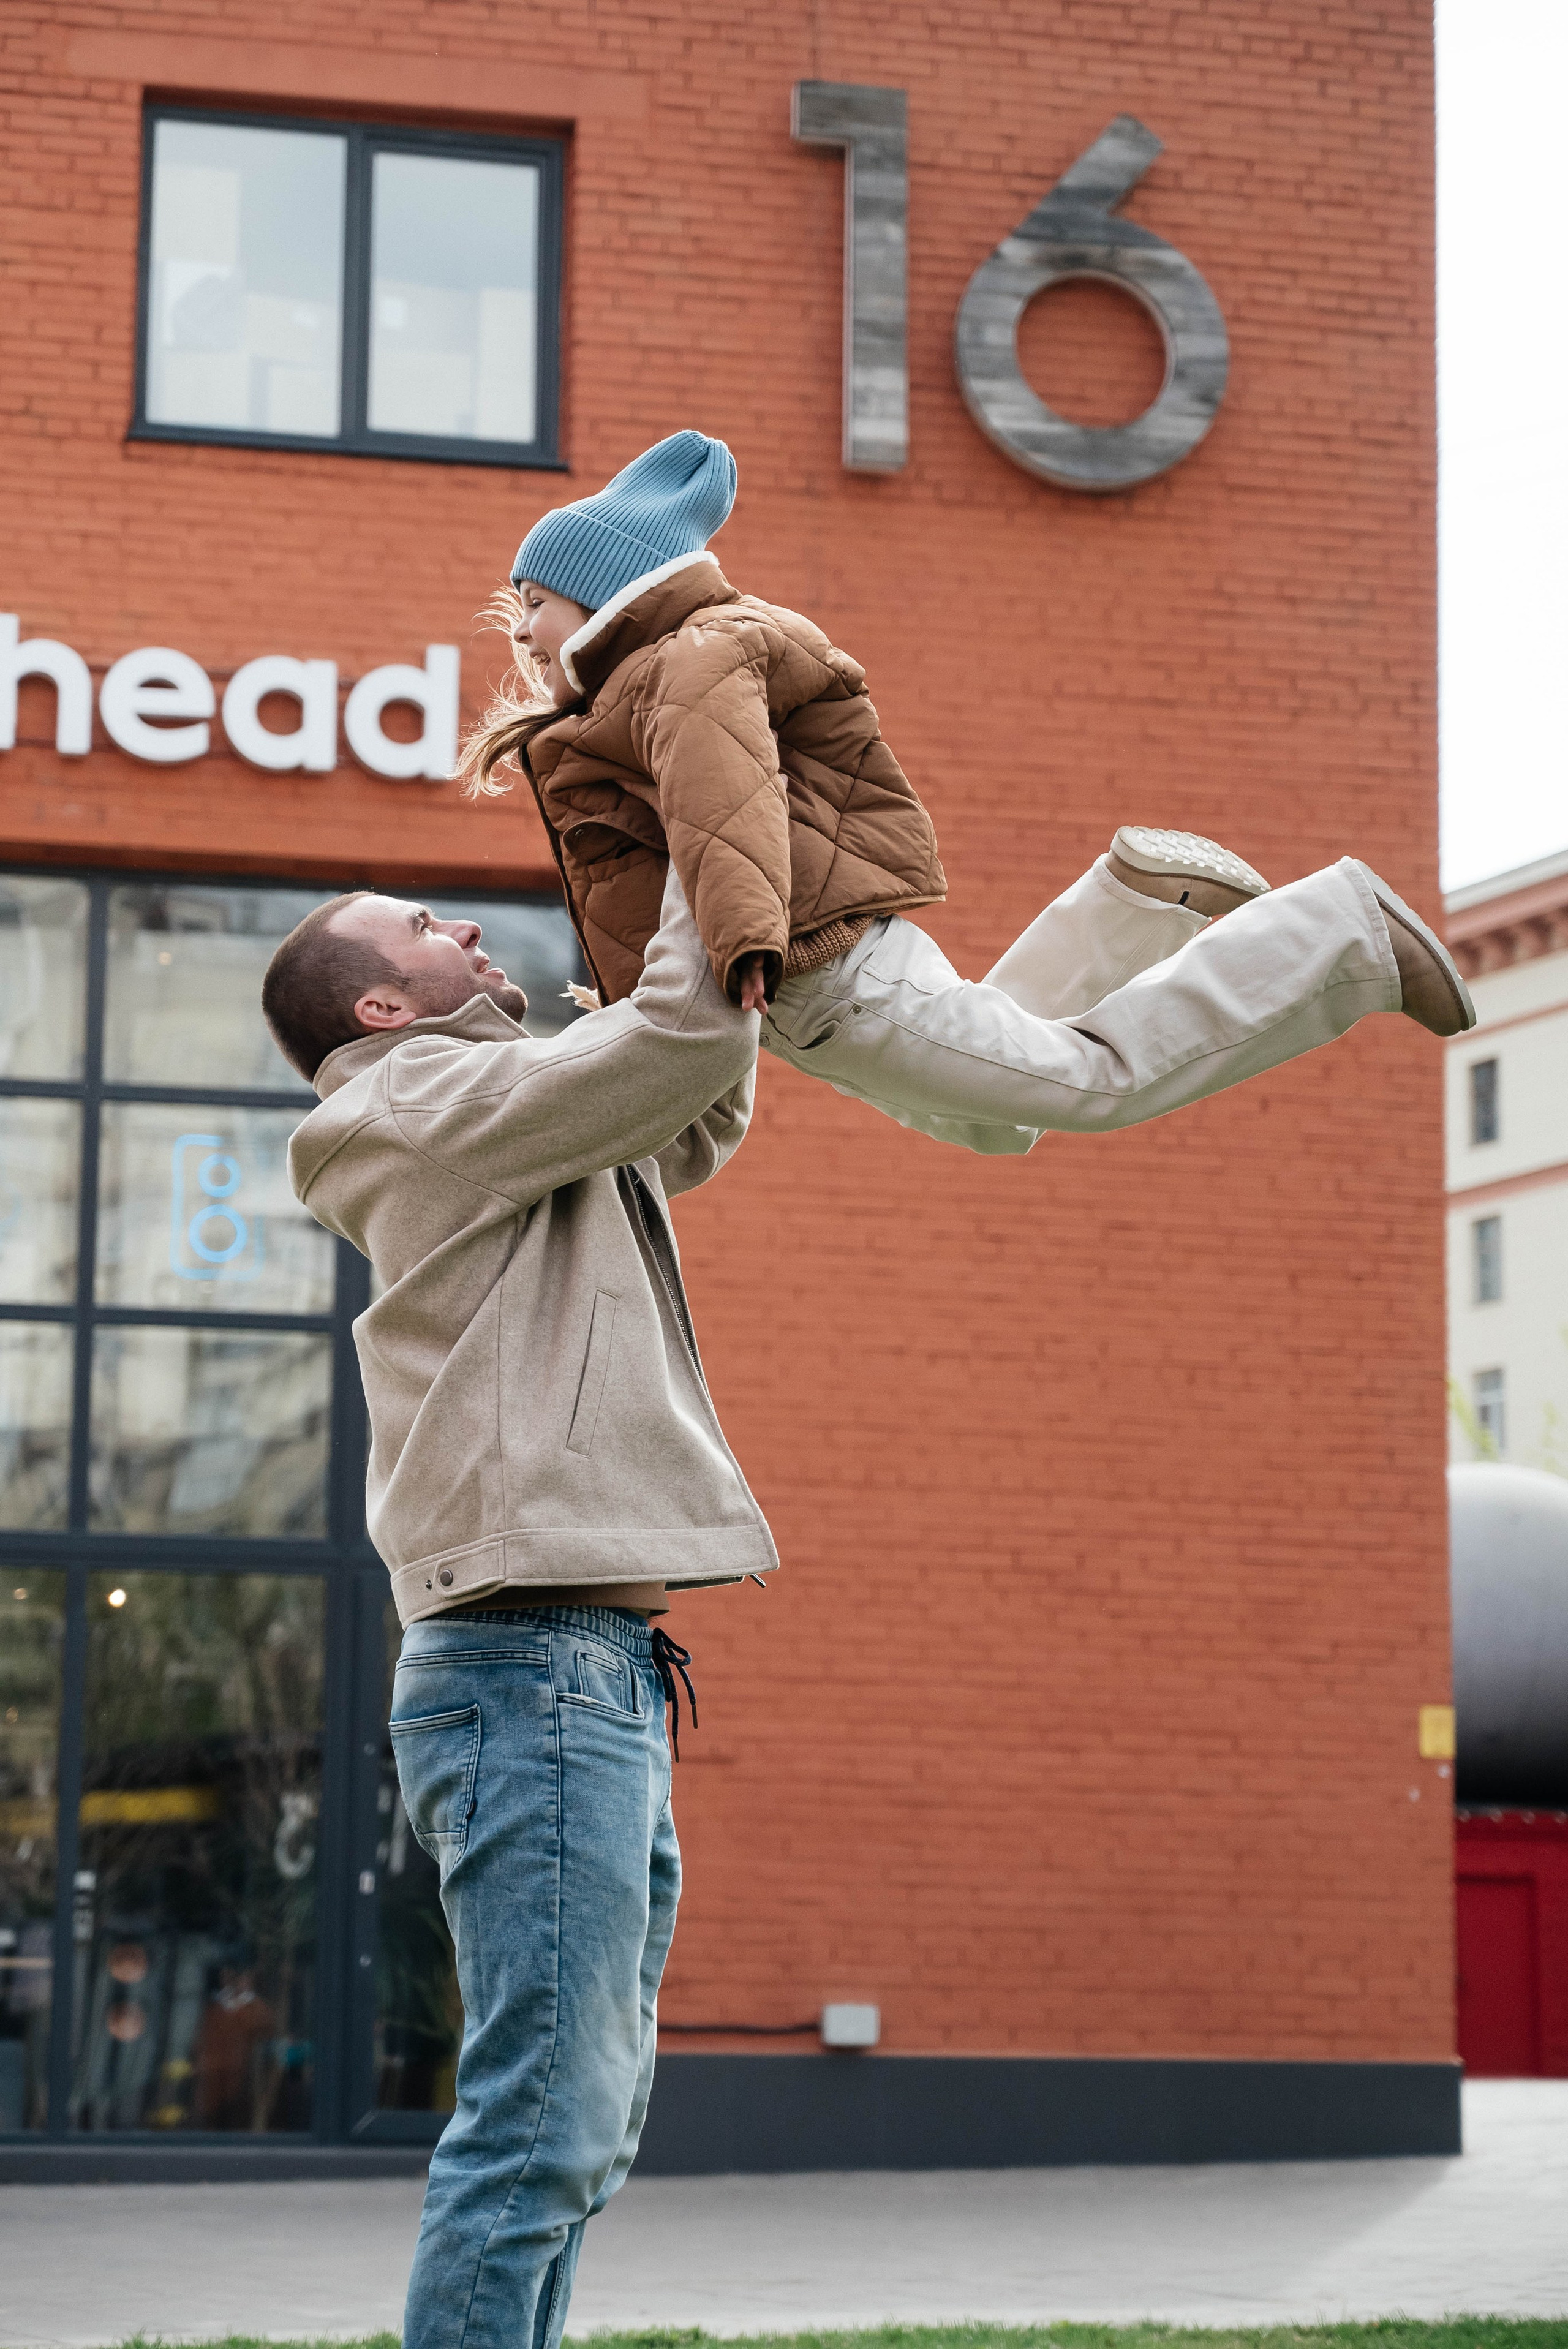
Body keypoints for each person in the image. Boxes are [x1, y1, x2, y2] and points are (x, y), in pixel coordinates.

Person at [262, 868, 770, 2349]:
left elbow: (693, 1106)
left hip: (587, 1669)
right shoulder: (412, 1106)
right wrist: (700, 864)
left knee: (583, 2122)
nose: (471, 931)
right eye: (428, 930)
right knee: (543, 2122)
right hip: (530, 1666)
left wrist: (686, 944)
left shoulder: (516, 1110)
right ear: (380, 1005)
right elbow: (668, 1056)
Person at [462, 429, 1473, 1161]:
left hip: (829, 977)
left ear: (610, 591)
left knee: (1092, 1083)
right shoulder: (643, 682)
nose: (523, 635)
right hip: (829, 986)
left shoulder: (685, 661)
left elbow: (723, 797)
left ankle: (1345, 934)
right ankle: (1133, 902)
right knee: (998, 1120)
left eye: (536, 606)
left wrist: (743, 939)